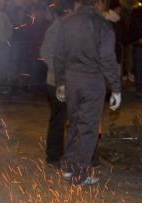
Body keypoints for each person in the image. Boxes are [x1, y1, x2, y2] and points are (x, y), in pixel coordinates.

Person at [54, 0, 122, 186]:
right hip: (92, 80)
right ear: (98, 4)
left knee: (74, 123)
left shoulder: (67, 23)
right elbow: (108, 59)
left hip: (71, 79)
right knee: (89, 127)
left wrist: (60, 82)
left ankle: (69, 167)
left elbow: (59, 55)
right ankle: (80, 174)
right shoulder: (102, 25)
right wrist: (116, 88)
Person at [41, 0, 74, 166]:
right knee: (58, 120)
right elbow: (45, 53)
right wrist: (59, 72)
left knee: (61, 118)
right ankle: (53, 156)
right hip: (55, 83)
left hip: (62, 81)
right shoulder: (57, 28)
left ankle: (58, 154)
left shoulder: (64, 27)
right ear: (67, 11)